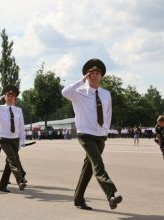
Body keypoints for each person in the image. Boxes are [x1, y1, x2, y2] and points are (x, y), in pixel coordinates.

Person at [62, 58, 122, 210]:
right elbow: (65, 92)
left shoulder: (106, 94)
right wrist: (81, 81)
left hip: (100, 135)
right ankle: (111, 195)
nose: (94, 75)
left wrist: (105, 131)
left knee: (88, 169)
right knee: (98, 165)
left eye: (97, 73)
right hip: (86, 135)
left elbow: (108, 113)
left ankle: (78, 199)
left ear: (101, 76)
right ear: (86, 76)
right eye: (91, 73)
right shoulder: (78, 93)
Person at [0, 85, 27, 192]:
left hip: (15, 139)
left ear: (15, 98)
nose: (10, 97)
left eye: (13, 95)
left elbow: (21, 126)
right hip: (4, 139)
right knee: (12, 159)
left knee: (10, 163)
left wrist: (22, 140)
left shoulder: (18, 110)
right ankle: (20, 180)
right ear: (4, 97)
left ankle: (2, 186)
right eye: (8, 95)